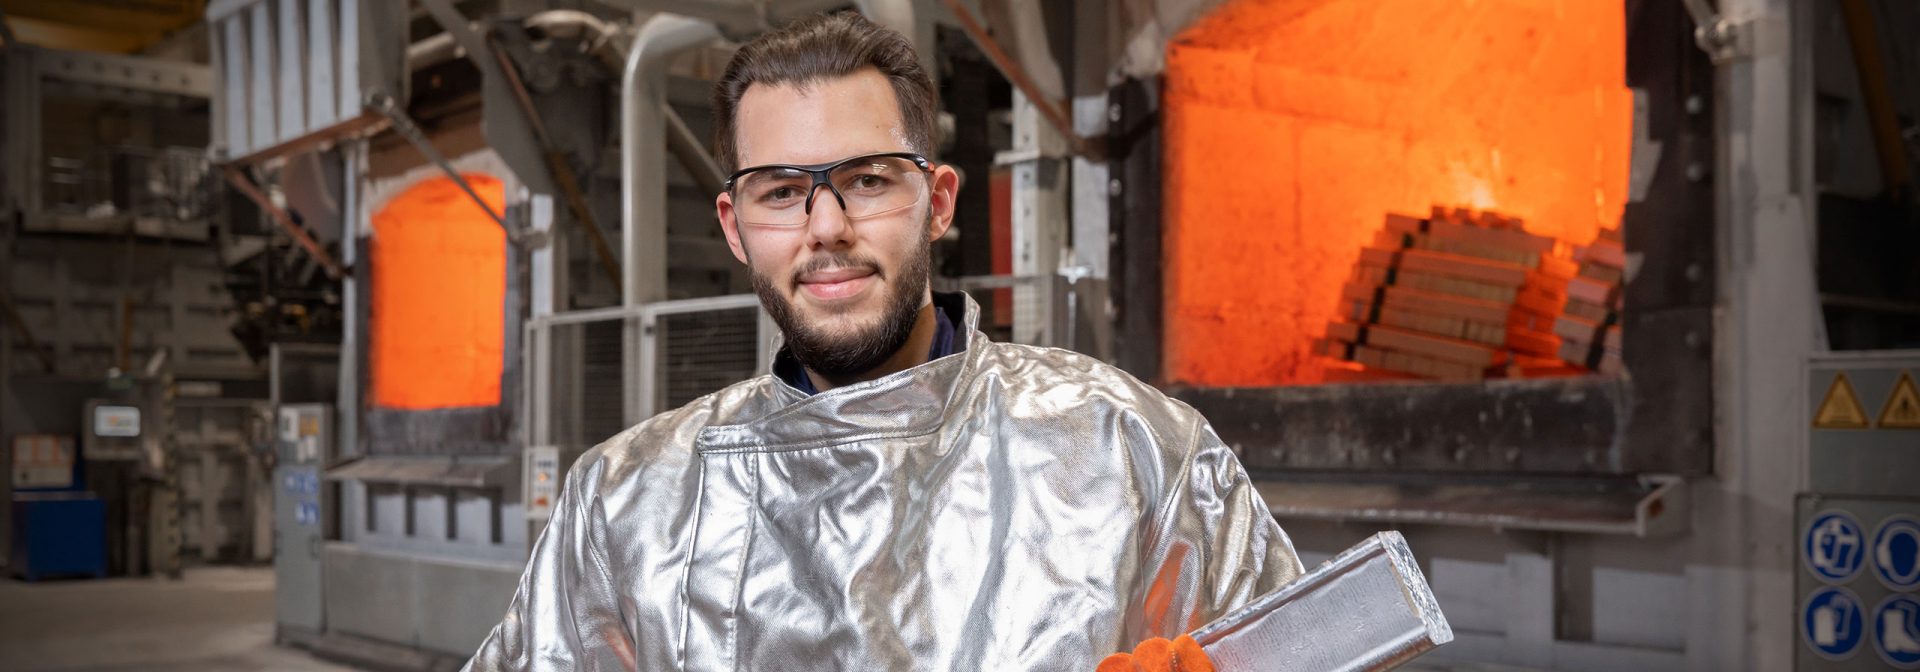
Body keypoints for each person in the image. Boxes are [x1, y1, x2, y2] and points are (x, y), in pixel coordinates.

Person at [465, 11, 1302, 671]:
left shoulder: (1129, 451)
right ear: (734, 225)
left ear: (937, 202)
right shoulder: (625, 503)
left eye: (867, 181)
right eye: (782, 190)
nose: (825, 228)